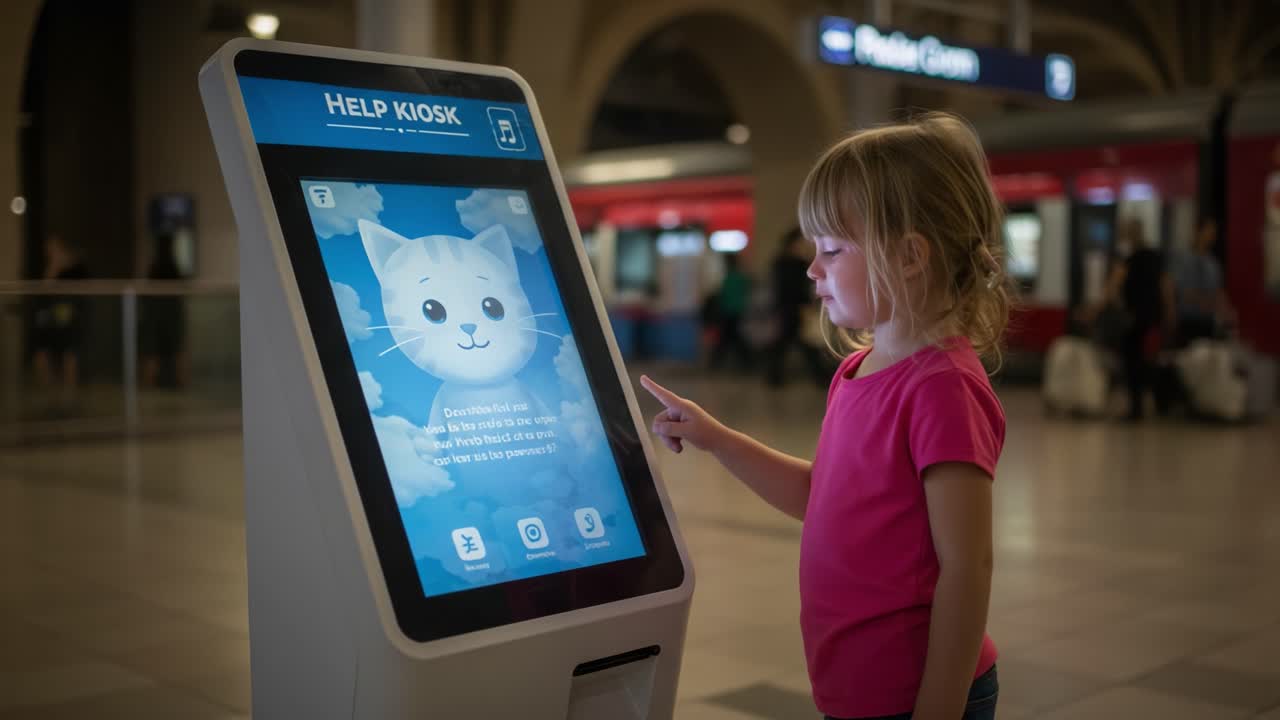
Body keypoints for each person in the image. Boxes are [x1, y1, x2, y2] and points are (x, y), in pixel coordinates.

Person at [641, 113, 1009, 720]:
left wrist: (938, 709)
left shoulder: (942, 389)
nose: (812, 269)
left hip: (917, 695)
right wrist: (718, 438)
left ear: (911, 255)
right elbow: (823, 496)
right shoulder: (858, 370)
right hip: (857, 688)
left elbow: (968, 568)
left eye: (832, 250)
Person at [1096, 217, 1175, 420]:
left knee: (1132, 362)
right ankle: (1161, 404)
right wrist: (1169, 313)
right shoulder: (1155, 257)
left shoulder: (1128, 260)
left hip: (1134, 319)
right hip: (1153, 318)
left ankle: (1136, 407)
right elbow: (1166, 287)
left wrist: (1103, 308)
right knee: (1152, 360)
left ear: (1130, 235)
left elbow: (1113, 287)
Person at [31, 233, 89, 402]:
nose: (50, 251)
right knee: (41, 353)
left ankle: (69, 395)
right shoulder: (48, 267)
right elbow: (43, 293)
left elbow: (82, 293)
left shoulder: (77, 268)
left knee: (70, 355)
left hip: (71, 320)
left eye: (53, 248)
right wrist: (53, 269)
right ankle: (49, 393)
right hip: (50, 321)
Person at [766, 227, 827, 387]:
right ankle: (820, 377)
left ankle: (775, 377)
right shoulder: (796, 264)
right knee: (802, 344)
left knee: (794, 343)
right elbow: (794, 289)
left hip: (786, 308)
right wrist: (804, 306)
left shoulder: (781, 263)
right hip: (793, 308)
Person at [140, 232, 189, 388]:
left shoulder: (154, 268)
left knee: (153, 351)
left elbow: (147, 295)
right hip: (172, 316)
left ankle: (149, 382)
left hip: (155, 317)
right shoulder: (173, 268)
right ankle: (181, 380)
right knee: (176, 349)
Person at [1173, 219, 1233, 345]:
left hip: (1208, 323)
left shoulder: (1213, 264)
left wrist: (1225, 308)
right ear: (1197, 232)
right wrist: (1210, 302)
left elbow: (1218, 291)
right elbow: (1183, 292)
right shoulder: (1182, 259)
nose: (1211, 238)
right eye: (1208, 233)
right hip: (1187, 322)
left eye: (1213, 234)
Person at [708, 252, 753, 371]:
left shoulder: (729, 277)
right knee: (732, 338)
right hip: (737, 311)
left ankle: (717, 363)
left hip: (729, 311)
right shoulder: (740, 277)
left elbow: (722, 295)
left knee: (729, 339)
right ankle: (746, 363)